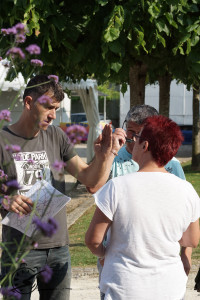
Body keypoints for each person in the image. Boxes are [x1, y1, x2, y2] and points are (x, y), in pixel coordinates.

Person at [0, 74, 126, 300]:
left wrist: (106, 155)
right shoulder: (2, 140)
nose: (53, 115)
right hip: (19, 251)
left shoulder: (56, 136)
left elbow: (91, 181)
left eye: (56, 109)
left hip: (59, 249)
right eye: (48, 107)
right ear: (28, 103)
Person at [85, 115, 200, 300]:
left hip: (124, 287)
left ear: (145, 145)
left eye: (137, 138)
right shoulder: (187, 190)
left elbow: (93, 240)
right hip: (169, 288)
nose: (133, 141)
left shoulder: (117, 187)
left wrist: (103, 254)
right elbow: (192, 241)